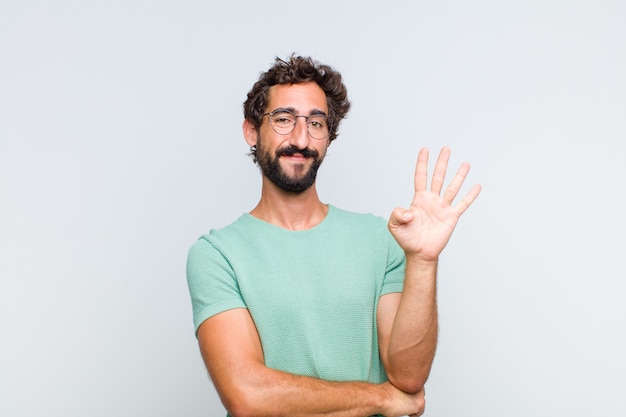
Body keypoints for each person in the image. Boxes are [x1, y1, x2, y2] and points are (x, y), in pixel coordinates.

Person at [186, 55, 481, 417]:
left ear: (329, 136)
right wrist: (381, 399)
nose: (301, 138)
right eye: (283, 120)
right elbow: (248, 395)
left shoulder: (382, 238)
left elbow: (408, 377)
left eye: (316, 123)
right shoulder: (217, 255)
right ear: (251, 131)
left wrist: (423, 261)